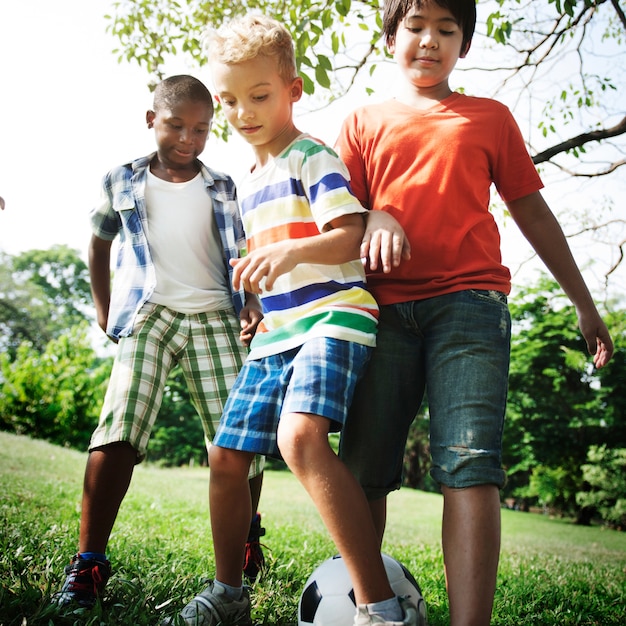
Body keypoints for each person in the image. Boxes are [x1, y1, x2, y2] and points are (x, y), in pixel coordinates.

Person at [334, 1, 615, 625]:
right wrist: (374, 215)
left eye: (446, 30)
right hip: (379, 311)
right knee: (364, 468)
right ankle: (371, 610)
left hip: (471, 306)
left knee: (469, 463)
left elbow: (533, 213)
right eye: (415, 27)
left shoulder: (489, 118)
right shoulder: (361, 123)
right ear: (390, 39)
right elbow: (336, 217)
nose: (430, 41)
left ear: (463, 43)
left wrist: (583, 303)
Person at [163, 15, 427, 626]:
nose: (242, 112)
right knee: (227, 456)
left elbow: (350, 235)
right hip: (277, 335)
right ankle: (229, 593)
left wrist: (289, 253)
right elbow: (269, 262)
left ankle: (380, 607)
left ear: (293, 90)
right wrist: (256, 302)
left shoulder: (312, 157)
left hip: (335, 319)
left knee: (299, 438)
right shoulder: (245, 184)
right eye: (229, 100)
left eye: (259, 96)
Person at [52, 74, 267, 610]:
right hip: (150, 315)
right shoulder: (120, 180)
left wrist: (251, 301)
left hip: (215, 315)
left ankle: (245, 541)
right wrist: (104, 309)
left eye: (201, 129)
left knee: (237, 442)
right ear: (152, 120)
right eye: (176, 126)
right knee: (120, 427)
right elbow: (98, 243)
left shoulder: (223, 186)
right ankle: (87, 566)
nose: (188, 140)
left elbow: (241, 256)